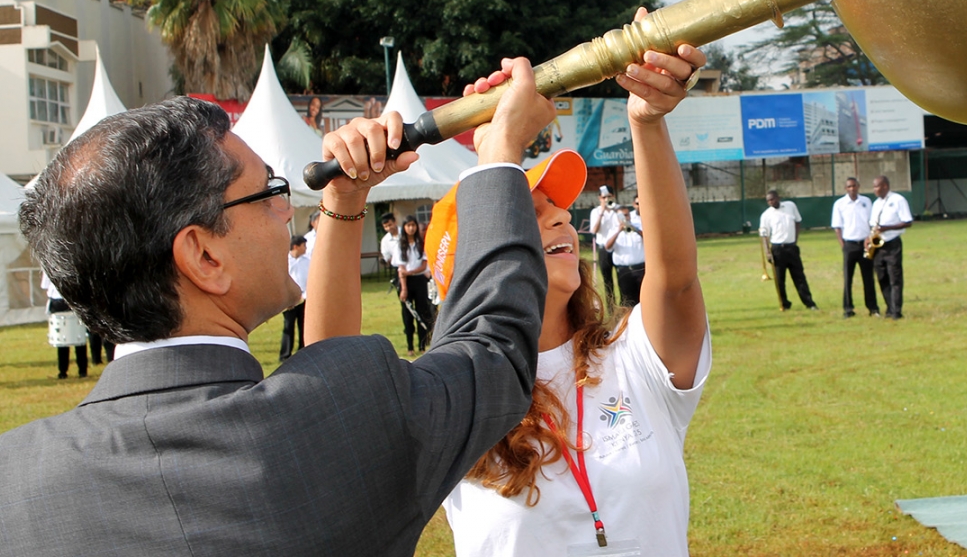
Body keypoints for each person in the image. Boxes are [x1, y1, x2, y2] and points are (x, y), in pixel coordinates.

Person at [0, 57, 556, 555]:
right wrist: (499, 154)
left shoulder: (15, 477)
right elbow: (491, 349)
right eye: (269, 191)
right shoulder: (343, 416)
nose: (285, 212)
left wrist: (344, 200)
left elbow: (329, 375)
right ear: (203, 256)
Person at [404, 24, 710, 556]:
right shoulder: (448, 401)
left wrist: (646, 119)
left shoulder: (634, 358)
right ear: (474, 266)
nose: (564, 219)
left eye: (560, 208)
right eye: (527, 213)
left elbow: (676, 279)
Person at [760, 189, 817, 311]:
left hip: (791, 248)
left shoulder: (790, 206)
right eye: (768, 200)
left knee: (799, 277)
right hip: (777, 249)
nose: (771, 202)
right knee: (780, 280)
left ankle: (809, 303)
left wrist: (795, 240)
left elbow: (797, 221)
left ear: (778, 198)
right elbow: (764, 235)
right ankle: (784, 304)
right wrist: (767, 252)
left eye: (772, 199)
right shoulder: (766, 215)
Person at [869, 175, 913, 320]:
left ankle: (897, 311)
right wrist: (868, 239)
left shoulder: (898, 200)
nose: (875, 189)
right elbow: (873, 224)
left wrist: (887, 228)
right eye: (874, 186)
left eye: (877, 186)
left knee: (895, 278)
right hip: (878, 244)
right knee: (882, 277)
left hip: (892, 243)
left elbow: (907, 222)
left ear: (885, 186)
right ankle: (889, 308)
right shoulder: (876, 204)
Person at [832, 177, 877, 318]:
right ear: (846, 188)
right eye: (849, 186)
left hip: (865, 244)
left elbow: (872, 223)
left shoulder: (866, 202)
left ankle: (873, 308)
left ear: (858, 186)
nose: (852, 189)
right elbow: (837, 227)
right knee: (848, 278)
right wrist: (843, 245)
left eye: (854, 186)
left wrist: (869, 239)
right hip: (849, 244)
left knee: (868, 278)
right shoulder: (839, 204)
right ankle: (848, 308)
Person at [397, 215, 435, 354]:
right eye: (408, 226)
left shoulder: (421, 244)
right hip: (405, 281)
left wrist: (411, 272)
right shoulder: (400, 245)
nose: (411, 228)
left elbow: (424, 265)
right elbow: (401, 269)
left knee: (422, 312)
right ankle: (410, 347)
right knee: (408, 314)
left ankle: (422, 344)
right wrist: (404, 288)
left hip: (419, 280)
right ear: (405, 228)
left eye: (413, 225)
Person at [41, 272, 87, 379]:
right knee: (79, 336)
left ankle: (62, 371)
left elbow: (44, 285)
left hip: (58, 301)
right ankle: (82, 370)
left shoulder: (49, 260)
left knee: (62, 337)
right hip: (74, 299)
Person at [606, 202, 645, 307]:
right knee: (627, 300)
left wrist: (635, 229)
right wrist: (619, 230)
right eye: (621, 216)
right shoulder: (613, 231)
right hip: (624, 271)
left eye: (626, 215)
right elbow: (608, 247)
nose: (625, 217)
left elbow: (649, 240)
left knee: (644, 298)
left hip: (641, 268)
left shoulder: (639, 226)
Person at [589, 184, 620, 309]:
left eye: (609, 196)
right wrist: (602, 212)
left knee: (621, 278)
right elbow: (594, 230)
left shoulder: (619, 209)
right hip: (604, 248)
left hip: (618, 247)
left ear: (613, 196)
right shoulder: (595, 212)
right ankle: (611, 308)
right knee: (607, 281)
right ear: (599, 198)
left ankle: (624, 306)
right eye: (604, 197)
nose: (606, 199)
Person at [279, 234, 309, 361]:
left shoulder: (307, 261)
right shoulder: (284, 261)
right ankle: (285, 354)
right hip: (290, 300)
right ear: (296, 247)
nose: (306, 248)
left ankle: (303, 350)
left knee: (303, 325)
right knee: (288, 325)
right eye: (303, 246)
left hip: (304, 297)